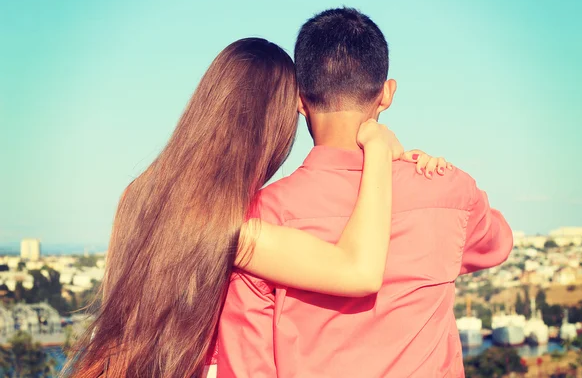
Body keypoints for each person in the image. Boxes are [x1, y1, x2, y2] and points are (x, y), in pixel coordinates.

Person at [65, 38, 449, 378]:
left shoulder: (136, 196)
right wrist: (379, 149)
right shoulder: (232, 229)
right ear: (277, 123)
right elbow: (359, 272)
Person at [216, 8, 513, 378]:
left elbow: (247, 363)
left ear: (299, 100)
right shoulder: (448, 189)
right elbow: (498, 242)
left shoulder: (256, 217)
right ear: (387, 93)